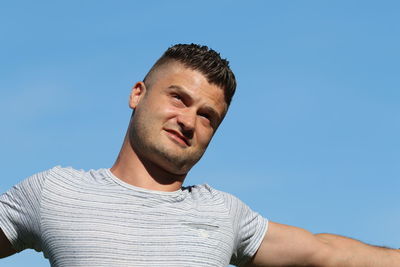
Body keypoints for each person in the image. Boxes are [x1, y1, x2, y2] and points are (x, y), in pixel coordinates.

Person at [0, 43, 399, 267]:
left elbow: (327, 254)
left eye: (207, 116)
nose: (188, 121)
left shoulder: (223, 213)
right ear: (138, 94)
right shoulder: (54, 191)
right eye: (178, 98)